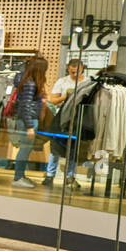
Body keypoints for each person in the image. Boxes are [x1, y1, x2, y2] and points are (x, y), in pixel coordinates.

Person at [42, 58, 83, 188]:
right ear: (68, 69)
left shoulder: (87, 83)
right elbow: (52, 101)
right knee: (55, 147)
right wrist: (67, 96)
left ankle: (70, 177)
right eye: (72, 72)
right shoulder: (62, 81)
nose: (74, 75)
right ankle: (50, 175)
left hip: (78, 119)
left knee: (73, 149)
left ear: (82, 68)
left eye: (76, 72)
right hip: (61, 119)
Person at [9, 55, 49, 187]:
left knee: (25, 149)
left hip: (28, 119)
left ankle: (20, 175)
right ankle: (18, 177)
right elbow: (25, 104)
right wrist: (30, 126)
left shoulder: (27, 81)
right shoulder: (31, 84)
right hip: (29, 119)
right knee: (24, 150)